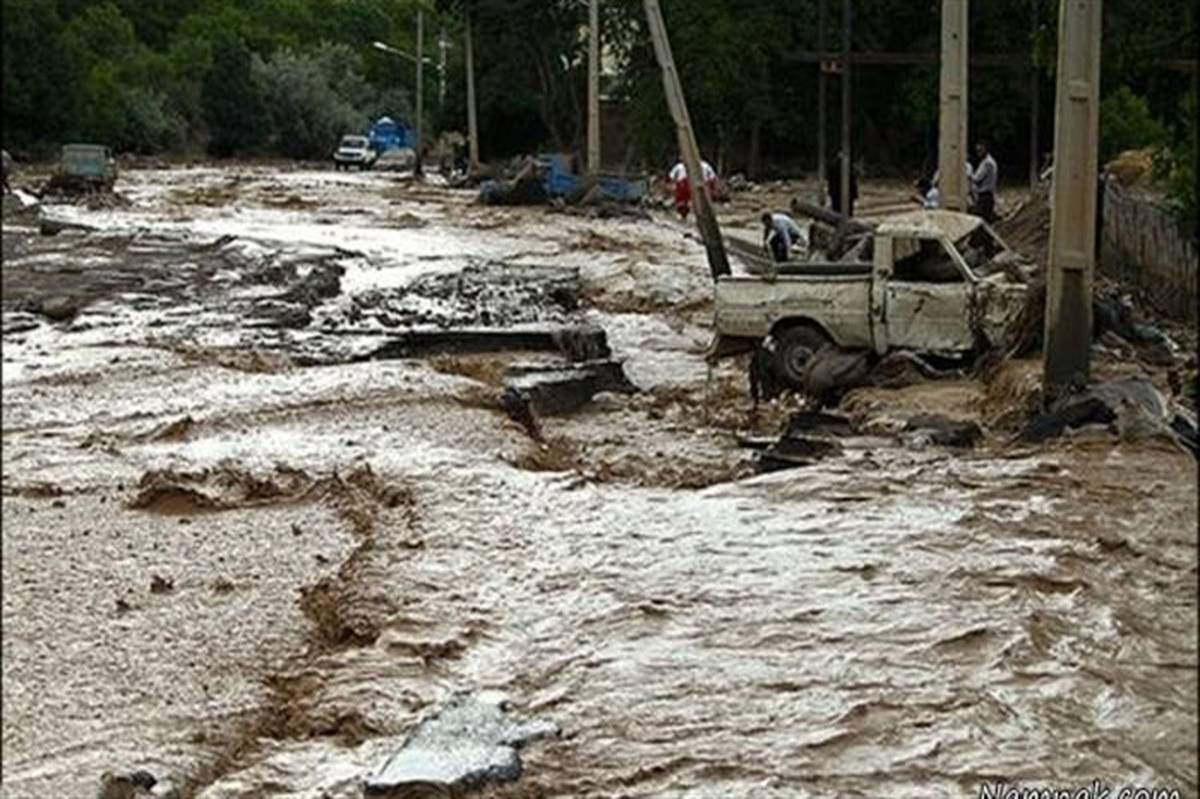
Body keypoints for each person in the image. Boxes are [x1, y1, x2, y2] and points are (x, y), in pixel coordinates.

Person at [969, 141, 998, 221]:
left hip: (985, 196)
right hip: (986, 195)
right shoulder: (987, 162)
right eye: (977, 150)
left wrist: (968, 175)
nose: (978, 153)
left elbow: (977, 178)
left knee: (981, 219)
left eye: (980, 150)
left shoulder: (987, 163)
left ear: (985, 149)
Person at [826, 150, 858, 217]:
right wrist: (855, 195)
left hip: (837, 195)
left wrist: (830, 193)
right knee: (847, 214)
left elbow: (830, 182)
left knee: (836, 213)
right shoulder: (848, 166)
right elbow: (853, 182)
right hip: (846, 195)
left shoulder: (834, 166)